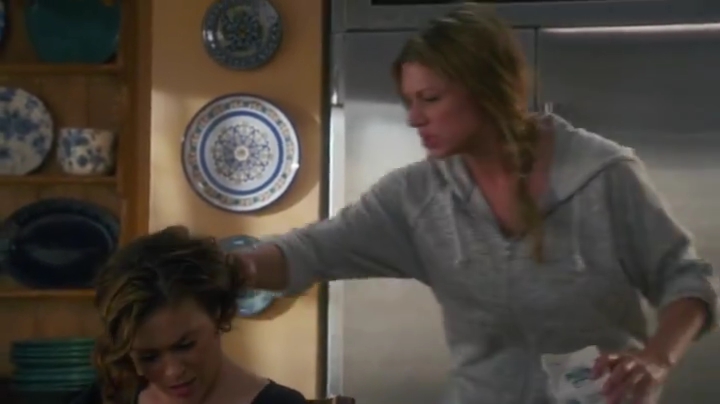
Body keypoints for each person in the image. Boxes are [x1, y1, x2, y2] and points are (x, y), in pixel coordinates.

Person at [225, 4, 720, 404]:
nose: (414, 118)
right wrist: (233, 267)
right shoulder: (416, 197)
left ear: (486, 90)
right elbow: (309, 251)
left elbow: (689, 282)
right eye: (409, 101)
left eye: (430, 98)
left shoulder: (604, 176)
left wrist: (656, 359)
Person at [69, 226, 306, 404]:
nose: (173, 371)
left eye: (185, 345)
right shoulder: (106, 398)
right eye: (149, 357)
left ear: (218, 314)